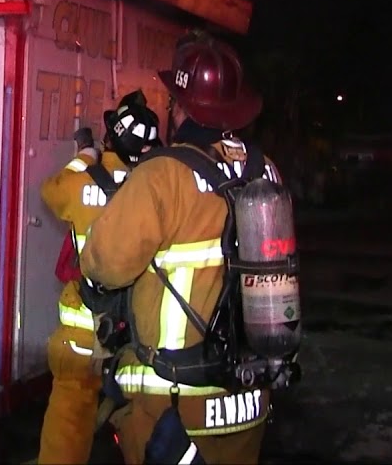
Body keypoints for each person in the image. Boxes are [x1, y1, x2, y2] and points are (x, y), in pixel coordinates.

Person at [80, 31, 283, 465]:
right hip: (249, 397)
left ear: (180, 106)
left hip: (174, 404)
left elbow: (104, 264)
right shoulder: (266, 172)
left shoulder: (163, 175)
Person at [36, 90, 163, 465]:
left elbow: (51, 192)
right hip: (139, 332)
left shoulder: (81, 183)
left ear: (111, 136)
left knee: (69, 418)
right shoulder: (155, 186)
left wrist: (84, 156)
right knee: (145, 418)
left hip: (83, 330)